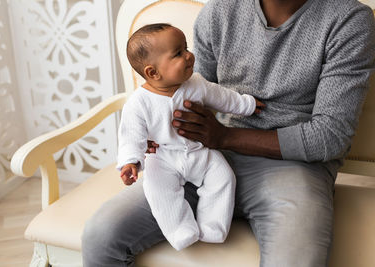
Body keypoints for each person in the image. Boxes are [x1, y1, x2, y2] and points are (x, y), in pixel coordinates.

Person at [82, 0, 375, 266]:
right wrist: (160, 127)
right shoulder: (218, 13)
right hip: (202, 157)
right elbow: (194, 96)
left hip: (293, 168)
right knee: (101, 235)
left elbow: (330, 137)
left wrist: (223, 137)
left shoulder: (349, 20)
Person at [116, 23, 263, 251]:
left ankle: (213, 226)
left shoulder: (196, 83)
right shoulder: (138, 103)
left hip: (199, 152)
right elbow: (131, 136)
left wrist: (248, 105)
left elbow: (223, 97)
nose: (189, 56)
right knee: (158, 190)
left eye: (186, 48)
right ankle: (179, 229)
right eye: (178, 53)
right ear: (153, 72)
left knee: (223, 177)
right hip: (163, 157)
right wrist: (130, 162)